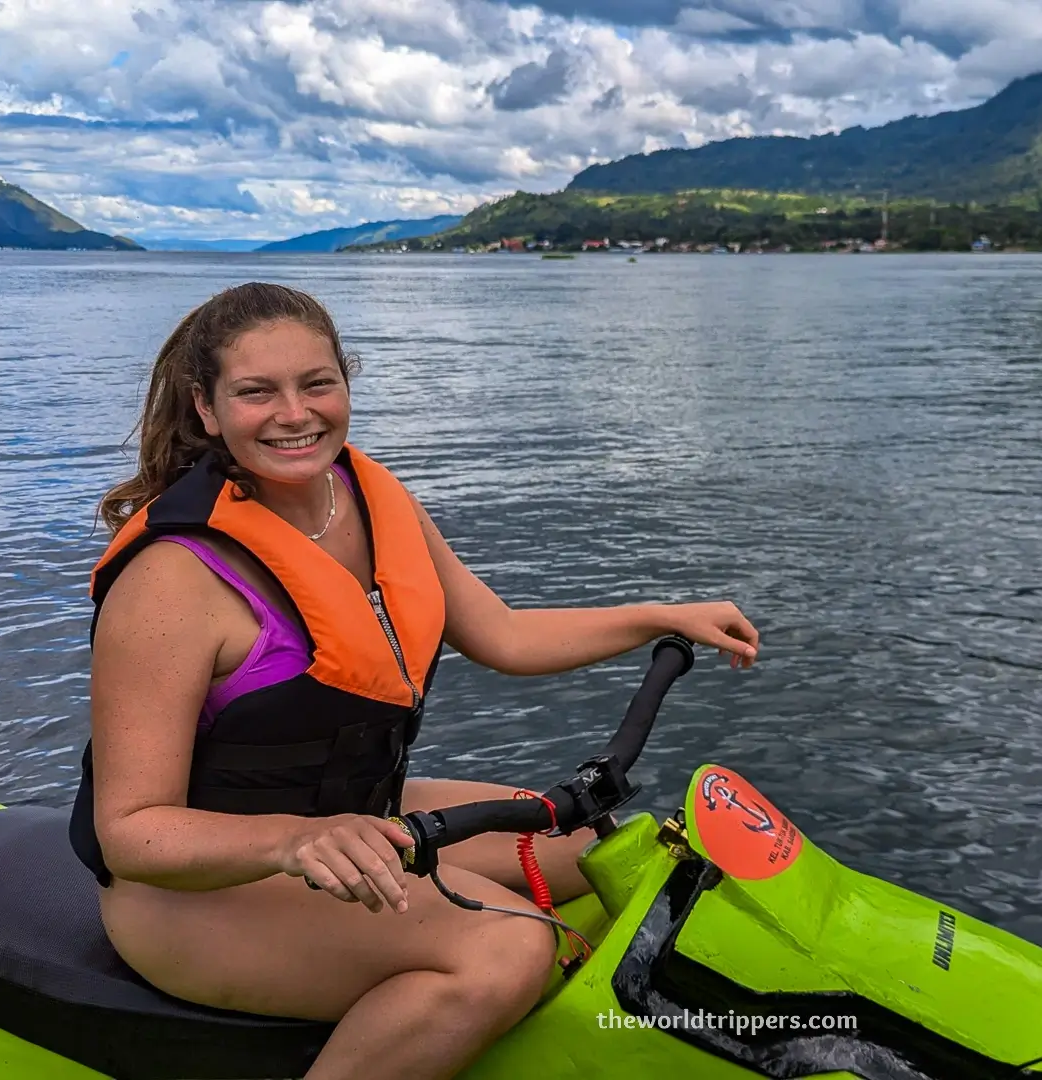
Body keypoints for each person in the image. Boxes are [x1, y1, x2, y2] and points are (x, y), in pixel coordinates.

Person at [67, 281, 760, 1079]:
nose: (296, 414)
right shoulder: (172, 578)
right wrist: (295, 839)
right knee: (508, 946)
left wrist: (661, 614)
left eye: (317, 383)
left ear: (345, 384)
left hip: (357, 818)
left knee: (604, 851)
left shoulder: (370, 492)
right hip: (189, 892)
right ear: (208, 409)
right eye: (257, 392)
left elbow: (500, 633)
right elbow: (134, 830)